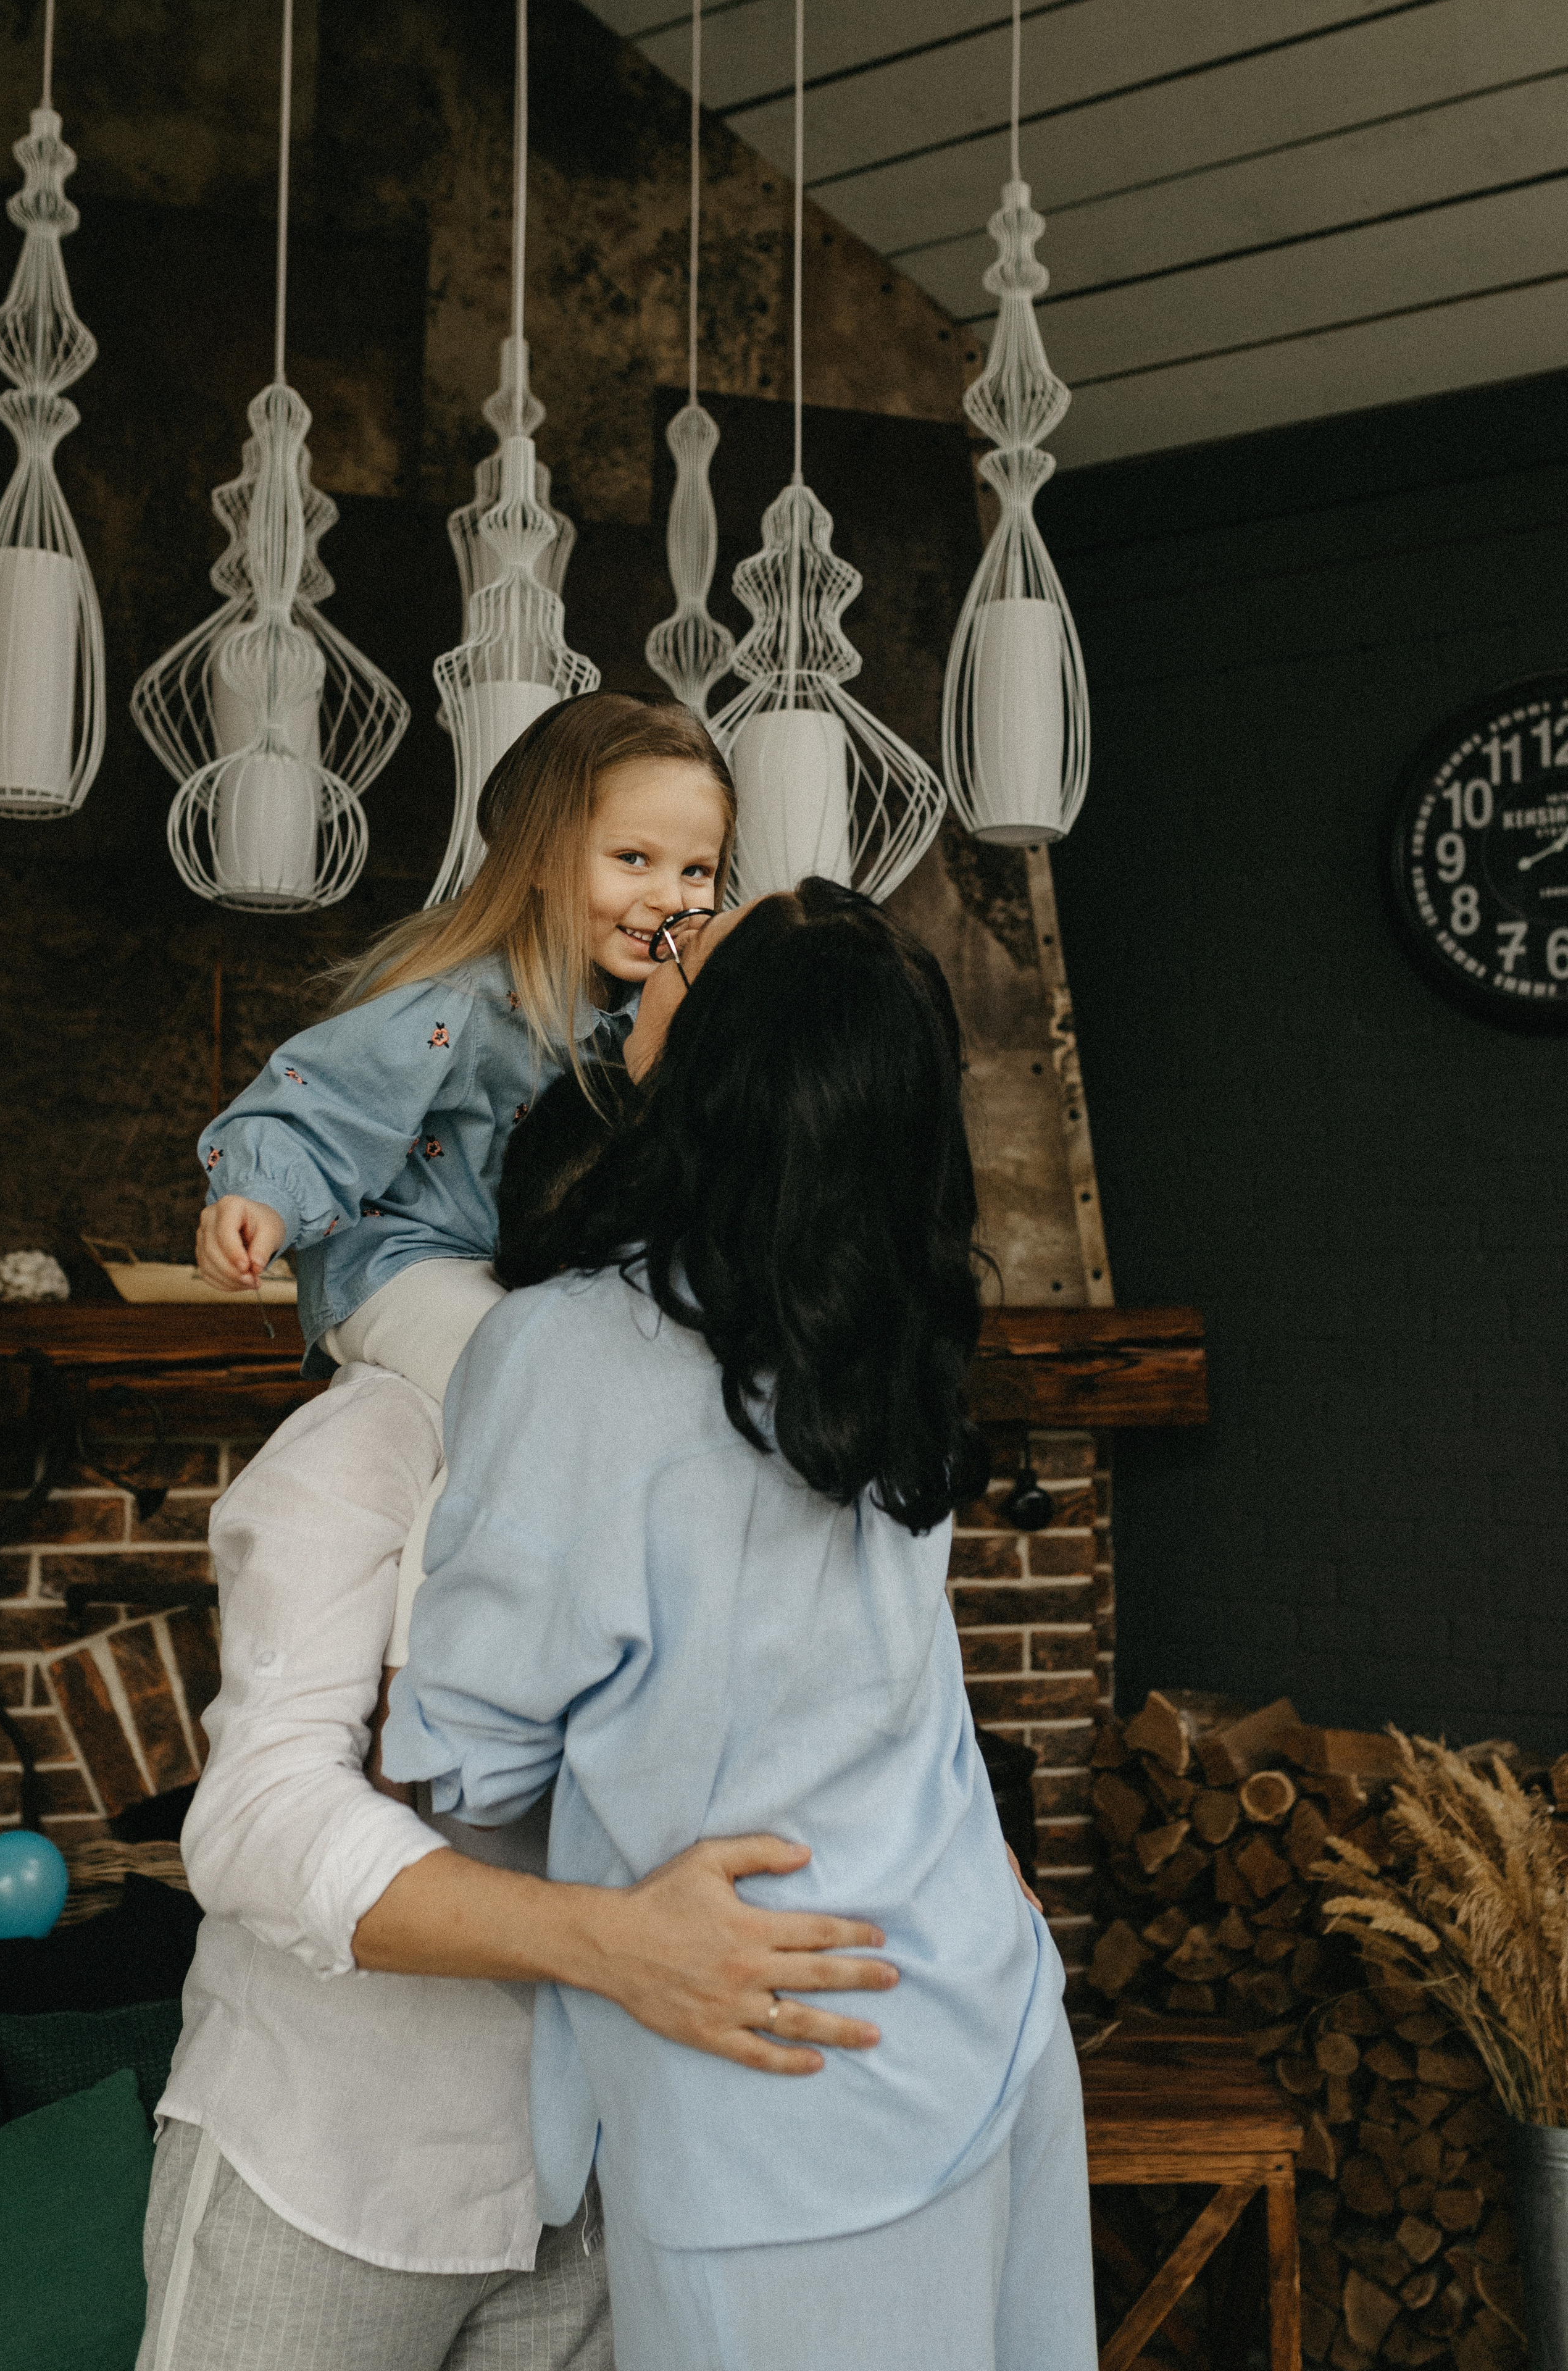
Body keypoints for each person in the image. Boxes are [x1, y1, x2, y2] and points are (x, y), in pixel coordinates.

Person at [384, 880, 1097, 2371]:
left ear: (717, 1066)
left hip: (778, 2078)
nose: (649, 953)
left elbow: (464, 1766)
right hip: (984, 2007)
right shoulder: (892, 1322)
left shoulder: (568, 1353)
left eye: (681, 957)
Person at [136, 1357, 895, 2371]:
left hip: (609, 2191)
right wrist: (620, 1946)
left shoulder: (740, 1448)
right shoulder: (381, 1423)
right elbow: (257, 1821)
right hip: (322, 2170)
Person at [192, 692, 732, 1410]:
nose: (670, 896)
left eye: (696, 871)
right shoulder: (464, 1001)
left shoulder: (662, 1015)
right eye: (633, 859)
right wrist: (261, 1197)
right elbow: (329, 1101)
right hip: (411, 1265)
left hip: (529, 1283)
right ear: (541, 859)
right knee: (529, 1384)